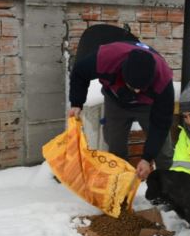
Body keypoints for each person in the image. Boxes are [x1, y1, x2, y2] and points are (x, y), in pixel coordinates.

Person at [67, 41, 174, 181]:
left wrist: (147, 158)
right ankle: (120, 188)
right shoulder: (107, 58)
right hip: (115, 101)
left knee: (163, 151)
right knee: (115, 145)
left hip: (148, 106)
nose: (137, 91)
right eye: (133, 86)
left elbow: (161, 125)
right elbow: (79, 72)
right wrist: (77, 102)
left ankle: (166, 188)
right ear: (123, 72)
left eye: (141, 88)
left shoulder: (163, 80)